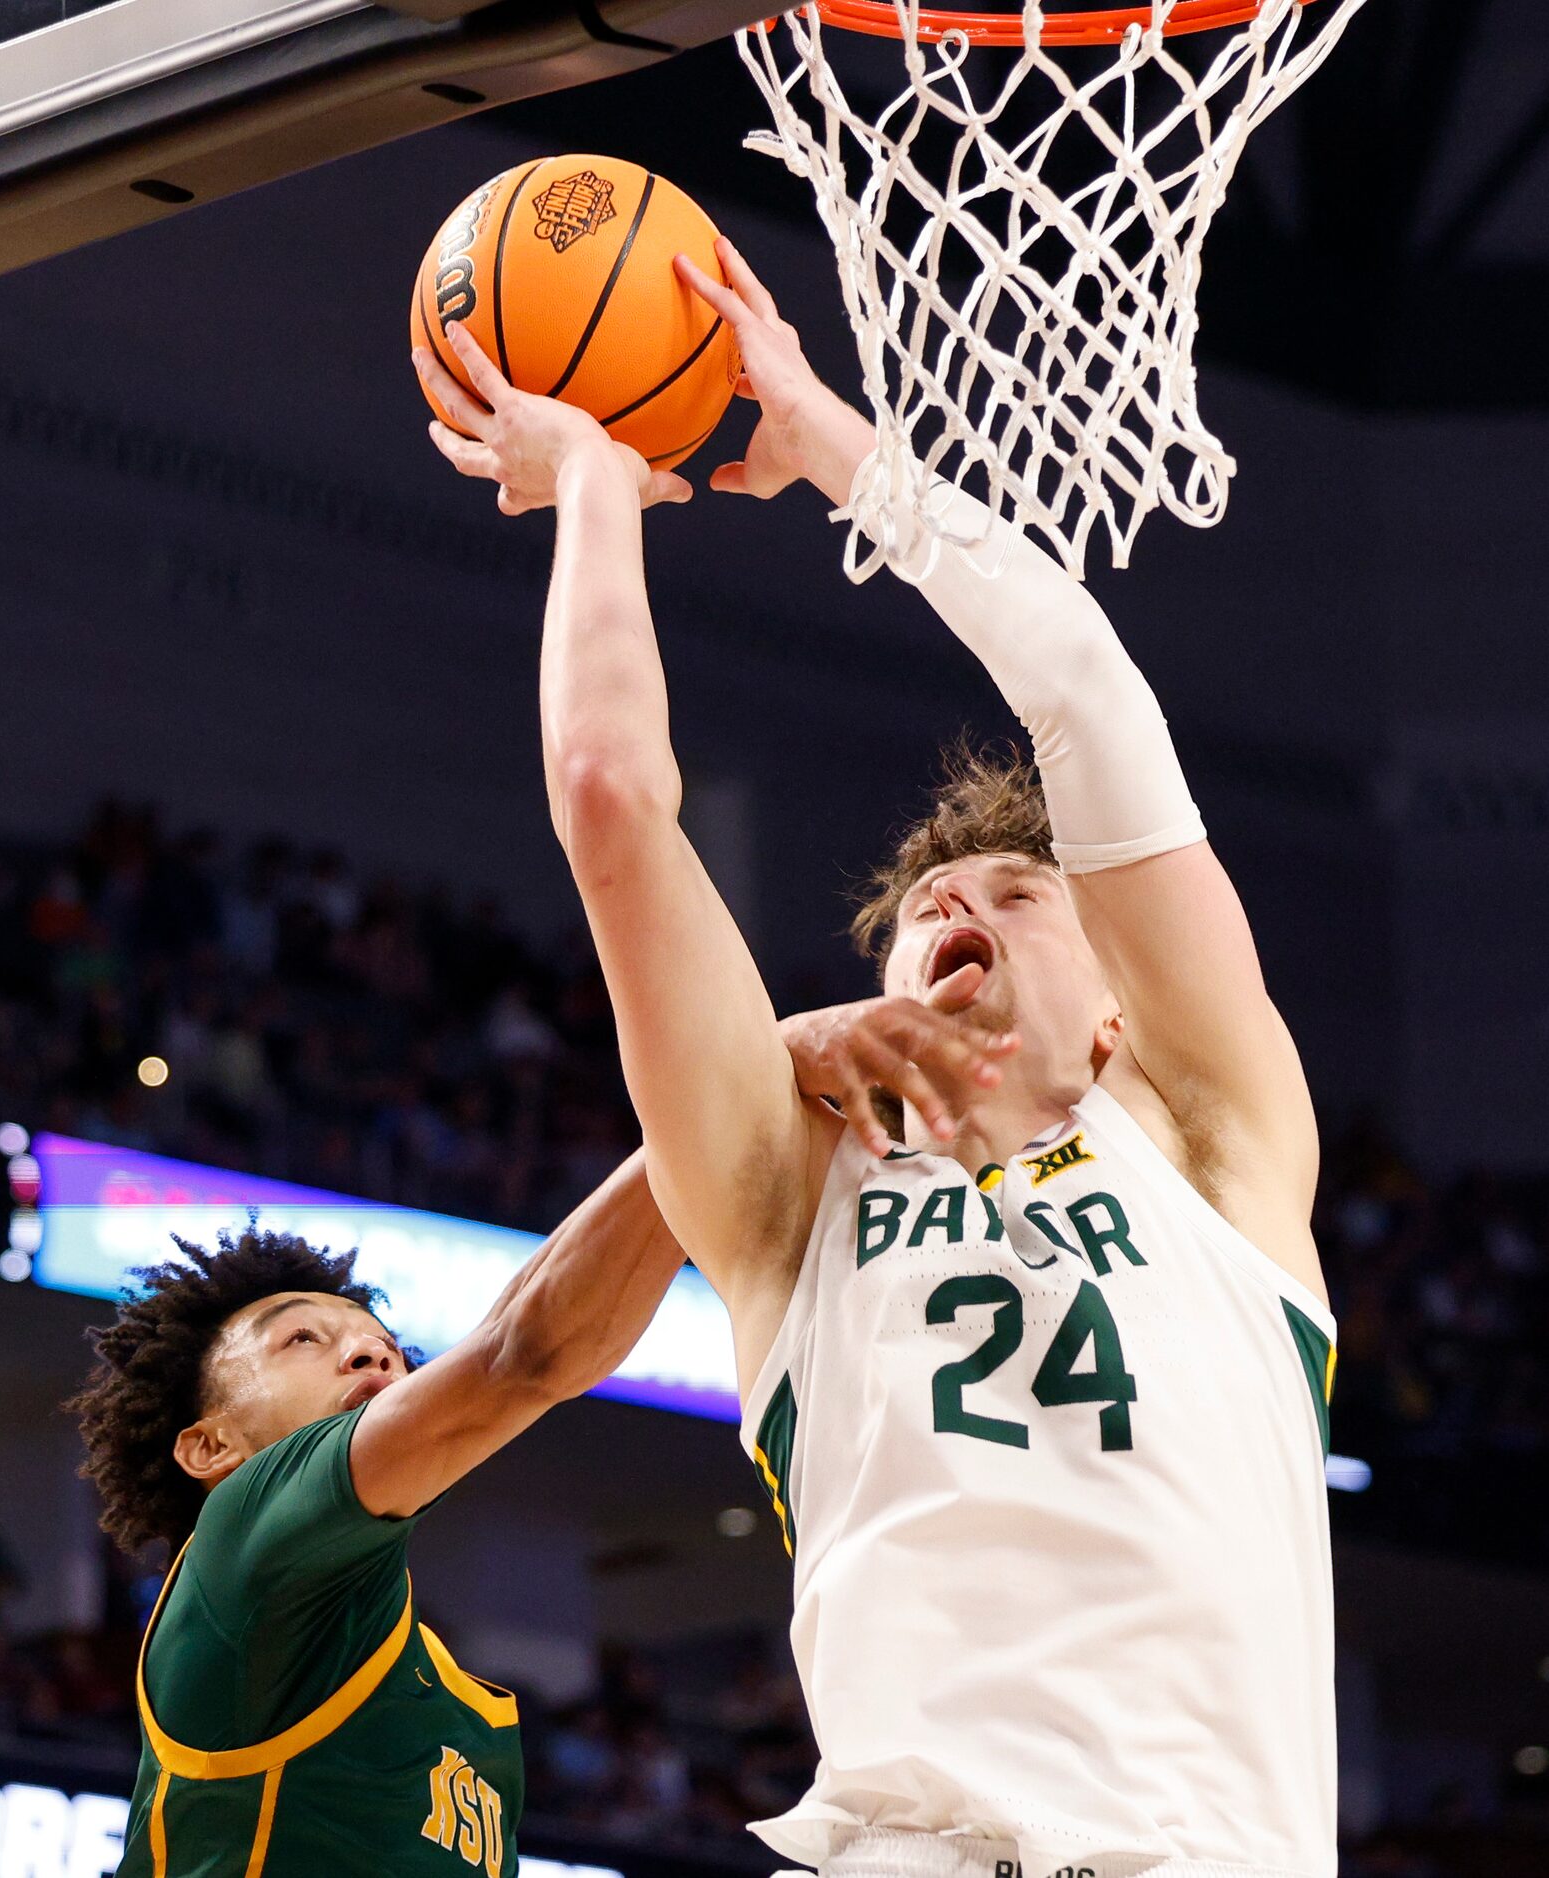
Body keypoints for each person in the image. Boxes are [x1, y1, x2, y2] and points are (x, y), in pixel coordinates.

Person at [414, 237, 1340, 1878]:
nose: (951, 902)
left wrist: (827, 439)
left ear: (1120, 1007)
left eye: (1013, 891)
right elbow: (610, 796)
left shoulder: (1216, 1143)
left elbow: (1080, 687)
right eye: (924, 905)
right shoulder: (788, 1194)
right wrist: (602, 492)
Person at [73, 1012, 997, 1878]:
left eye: (385, 1347)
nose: (369, 1350)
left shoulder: (453, 1705)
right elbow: (526, 1351)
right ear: (208, 1446)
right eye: (301, 1340)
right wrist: (745, 1076)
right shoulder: (242, 1554)